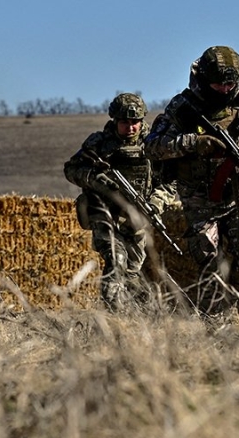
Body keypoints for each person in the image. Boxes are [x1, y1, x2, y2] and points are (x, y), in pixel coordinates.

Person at [144, 45, 239, 313]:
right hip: (199, 196)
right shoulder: (183, 107)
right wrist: (193, 143)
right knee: (208, 259)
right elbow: (152, 146)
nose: (226, 89)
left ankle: (236, 300)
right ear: (206, 79)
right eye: (219, 84)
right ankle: (214, 320)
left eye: (231, 83)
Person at [64, 93, 174, 309]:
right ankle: (114, 318)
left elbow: (170, 184)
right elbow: (71, 169)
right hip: (103, 214)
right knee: (116, 262)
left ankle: (143, 314)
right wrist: (97, 180)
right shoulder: (99, 143)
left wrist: (155, 204)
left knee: (132, 275)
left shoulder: (154, 145)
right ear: (115, 121)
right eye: (125, 122)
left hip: (137, 218)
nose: (130, 127)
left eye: (135, 122)